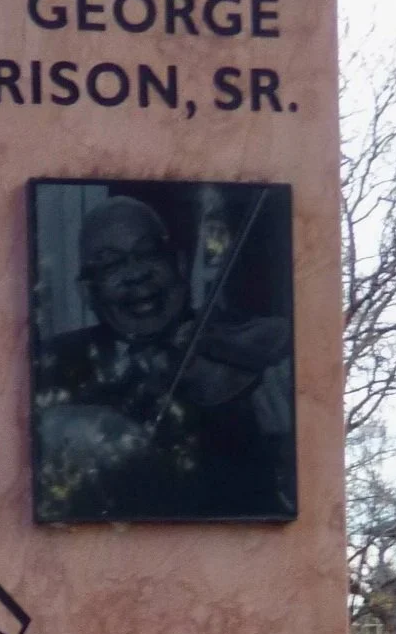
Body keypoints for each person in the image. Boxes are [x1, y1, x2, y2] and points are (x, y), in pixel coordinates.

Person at [32, 193, 294, 522]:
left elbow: (282, 515)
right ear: (88, 292)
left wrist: (288, 448)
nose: (136, 274)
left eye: (147, 253)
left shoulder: (262, 358)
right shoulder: (53, 365)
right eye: (111, 263)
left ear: (180, 264)